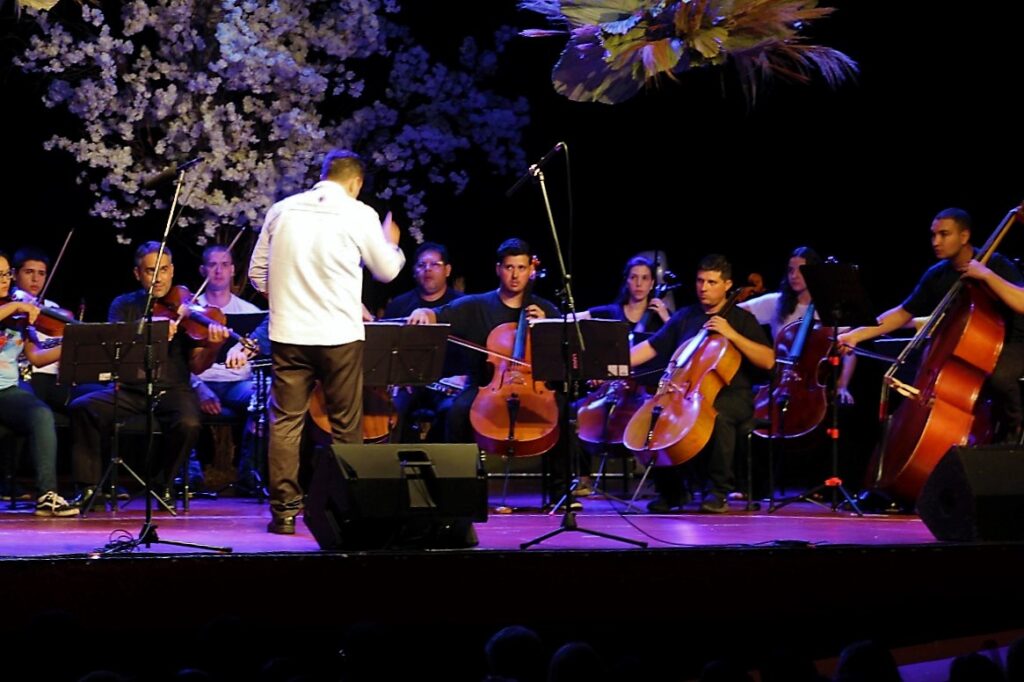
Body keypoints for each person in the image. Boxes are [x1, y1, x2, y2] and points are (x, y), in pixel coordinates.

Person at [249, 148, 405, 534]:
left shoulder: (282, 210)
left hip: (289, 334)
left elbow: (256, 273)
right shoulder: (359, 213)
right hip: (338, 335)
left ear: (322, 175)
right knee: (346, 426)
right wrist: (393, 244)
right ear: (356, 183)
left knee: (285, 423)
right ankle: (342, 510)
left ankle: (284, 513)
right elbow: (386, 272)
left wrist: (289, 294)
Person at [838, 207, 1024, 442]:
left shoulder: (996, 263)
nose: (936, 241)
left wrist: (986, 275)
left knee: (998, 375)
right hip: (971, 350)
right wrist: (856, 335)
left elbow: (1022, 302)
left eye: (944, 234)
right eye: (933, 235)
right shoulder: (937, 274)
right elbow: (902, 313)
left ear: (964, 236)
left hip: (1013, 342)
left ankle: (1014, 434)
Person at [68, 242, 230, 509]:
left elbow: (198, 366)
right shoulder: (123, 305)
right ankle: (89, 489)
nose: (158, 278)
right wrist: (149, 335)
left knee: (189, 423)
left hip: (173, 390)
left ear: (172, 271)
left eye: (164, 270)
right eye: (150, 271)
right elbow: (113, 351)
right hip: (131, 389)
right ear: (137, 274)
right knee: (83, 407)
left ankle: (163, 483)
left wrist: (214, 346)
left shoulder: (188, 309)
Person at [407, 238, 563, 502]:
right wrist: (423, 311)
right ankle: (458, 487)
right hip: (486, 387)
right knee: (456, 412)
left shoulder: (545, 309)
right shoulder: (476, 305)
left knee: (564, 409)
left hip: (533, 389)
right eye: (509, 267)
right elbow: (438, 313)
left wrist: (547, 328)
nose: (515, 275)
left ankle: (562, 490)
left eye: (522, 268)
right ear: (498, 269)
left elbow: (561, 354)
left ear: (530, 270)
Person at [629, 254, 775, 513]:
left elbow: (768, 361)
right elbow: (651, 347)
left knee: (718, 417)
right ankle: (673, 492)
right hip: (689, 392)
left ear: (727, 285)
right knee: (658, 418)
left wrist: (731, 334)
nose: (703, 288)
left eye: (711, 282)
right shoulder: (686, 316)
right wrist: (612, 366)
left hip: (733, 394)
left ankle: (718, 492)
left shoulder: (742, 319)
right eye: (700, 281)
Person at [574, 255, 673, 495]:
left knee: (661, 417)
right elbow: (575, 320)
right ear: (626, 281)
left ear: (652, 284)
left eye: (645, 278)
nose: (639, 283)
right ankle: (583, 478)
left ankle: (663, 482)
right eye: (634, 277)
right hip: (609, 388)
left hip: (644, 391)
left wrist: (667, 318)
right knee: (575, 412)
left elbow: (680, 345)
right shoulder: (610, 312)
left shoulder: (663, 318)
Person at [0, 249, 78, 516]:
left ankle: (47, 494)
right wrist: (16, 306)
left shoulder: (18, 312)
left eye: (5, 274)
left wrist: (73, 341)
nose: (3, 280)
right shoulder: (14, 307)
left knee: (41, 414)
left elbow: (37, 357)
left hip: (6, 390)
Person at [740, 246, 855, 404]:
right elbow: (736, 313)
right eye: (790, 270)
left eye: (800, 271)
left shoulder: (831, 308)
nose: (794, 276)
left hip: (812, 384)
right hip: (777, 381)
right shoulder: (776, 302)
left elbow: (850, 352)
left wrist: (842, 385)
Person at [382, 241, 464, 443]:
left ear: (447, 270)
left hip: (448, 385)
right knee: (390, 411)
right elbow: (386, 351)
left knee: (453, 412)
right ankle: (388, 469)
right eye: (421, 265)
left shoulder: (462, 305)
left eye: (435, 264)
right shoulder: (400, 305)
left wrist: (463, 378)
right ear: (414, 271)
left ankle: (445, 470)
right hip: (408, 386)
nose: (427, 270)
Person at [9, 246, 72, 411]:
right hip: (26, 376)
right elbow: (34, 357)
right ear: (14, 274)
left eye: (41, 273)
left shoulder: (52, 308)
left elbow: (51, 345)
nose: (36, 279)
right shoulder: (11, 307)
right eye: (29, 272)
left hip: (54, 376)